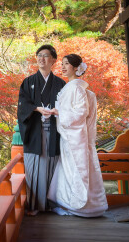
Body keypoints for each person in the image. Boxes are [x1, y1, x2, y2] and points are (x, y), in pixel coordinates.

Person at [47, 53, 108, 217]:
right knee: (72, 169)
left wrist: (58, 113)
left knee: (75, 169)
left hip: (74, 137)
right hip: (71, 135)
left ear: (76, 68)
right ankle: (76, 204)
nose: (63, 67)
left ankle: (79, 205)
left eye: (67, 64)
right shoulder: (74, 87)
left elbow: (81, 112)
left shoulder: (75, 88)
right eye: (62, 64)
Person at [17, 44, 66, 215]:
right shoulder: (28, 82)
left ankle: (51, 204)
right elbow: (22, 105)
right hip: (35, 132)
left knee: (52, 166)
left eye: (45, 56)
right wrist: (37, 109)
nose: (41, 58)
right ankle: (34, 205)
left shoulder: (60, 83)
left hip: (54, 132)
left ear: (53, 60)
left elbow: (67, 108)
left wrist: (57, 112)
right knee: (33, 167)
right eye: (39, 55)